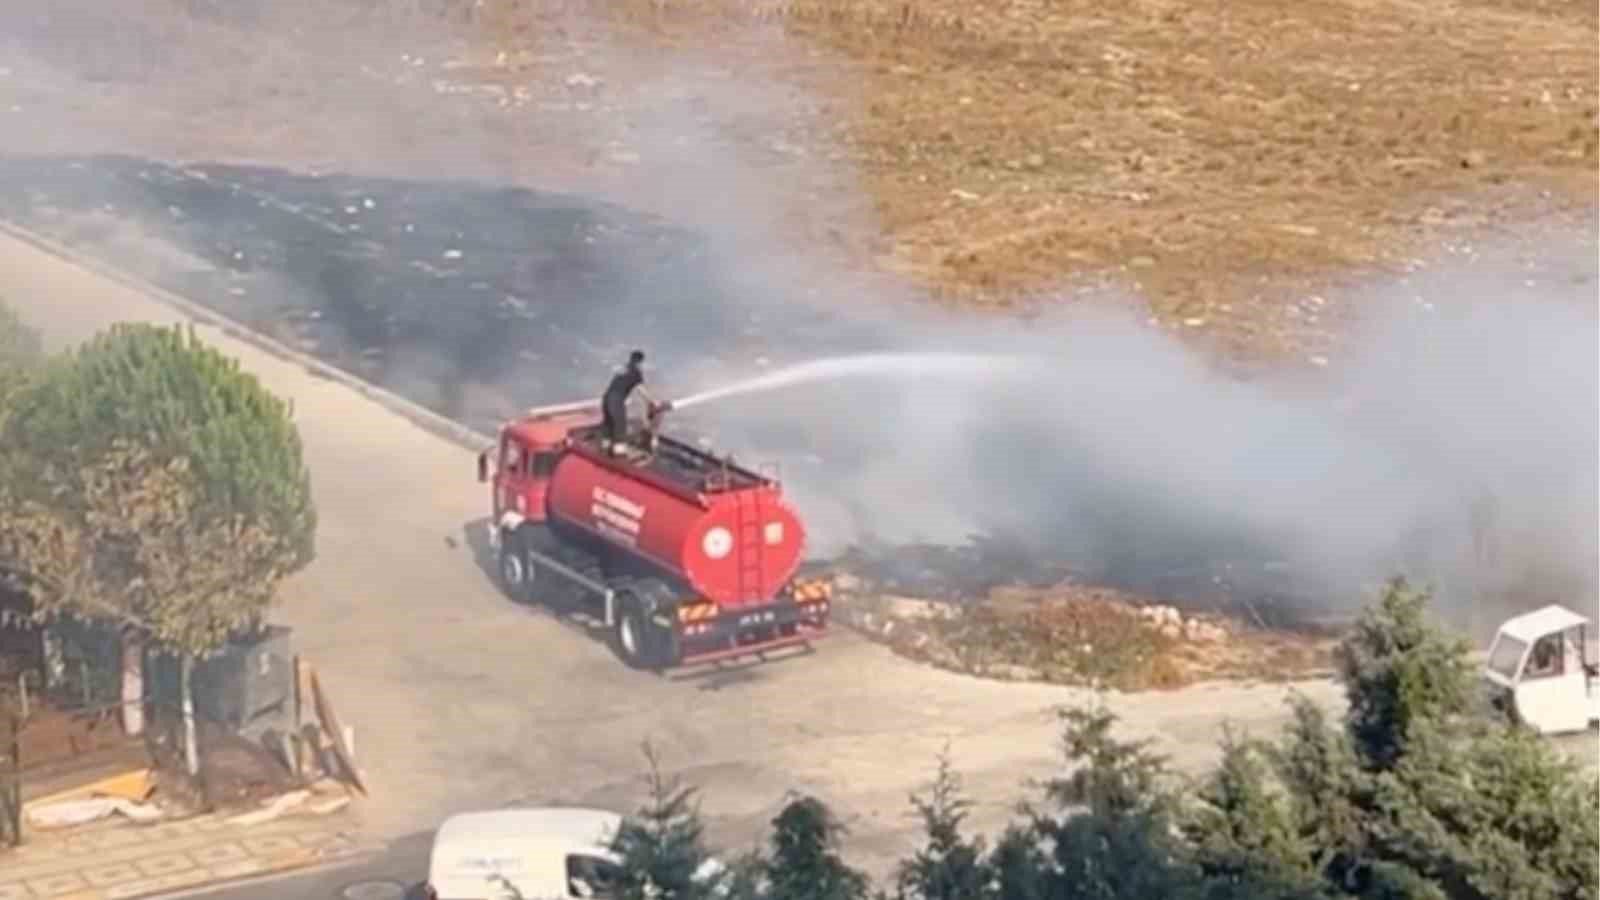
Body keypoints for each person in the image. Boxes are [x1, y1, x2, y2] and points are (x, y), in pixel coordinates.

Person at [601, 349, 656, 449]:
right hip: (616, 400)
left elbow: (619, 384)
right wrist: (651, 401)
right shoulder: (636, 372)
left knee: (608, 427)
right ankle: (618, 458)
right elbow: (641, 389)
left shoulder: (623, 368)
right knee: (620, 429)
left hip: (606, 398)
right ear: (640, 362)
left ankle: (603, 452)